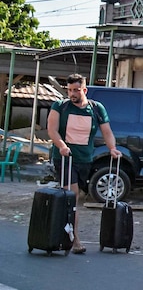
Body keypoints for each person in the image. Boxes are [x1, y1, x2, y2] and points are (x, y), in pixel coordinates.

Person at [47, 74, 122, 254]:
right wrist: (62, 146)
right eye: (70, 90)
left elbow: (107, 131)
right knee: (72, 195)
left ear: (84, 90)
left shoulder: (96, 108)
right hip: (65, 158)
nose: (72, 94)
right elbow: (52, 129)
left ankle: (62, 231)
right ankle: (74, 239)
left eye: (76, 90)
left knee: (76, 196)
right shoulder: (60, 106)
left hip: (84, 159)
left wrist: (112, 148)